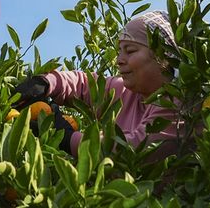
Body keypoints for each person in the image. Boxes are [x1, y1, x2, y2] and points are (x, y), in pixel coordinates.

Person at [13, 10, 185, 159]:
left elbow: (133, 151)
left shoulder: (180, 104)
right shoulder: (127, 92)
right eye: (119, 51)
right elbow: (85, 84)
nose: (119, 60)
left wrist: (67, 138)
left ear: (163, 56)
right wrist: (45, 83)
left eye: (130, 51)